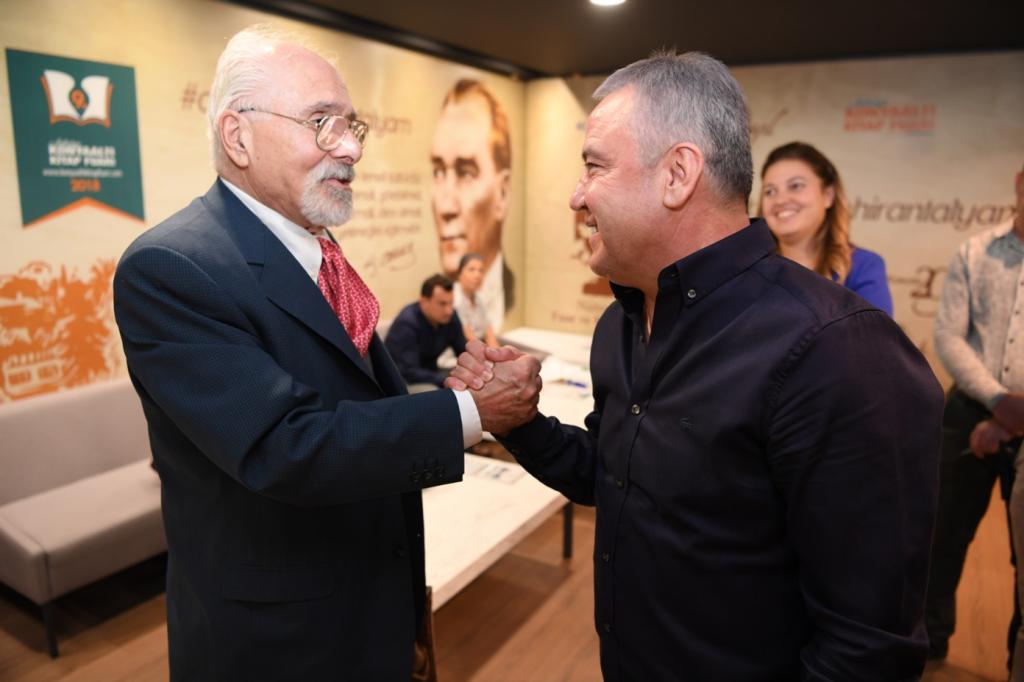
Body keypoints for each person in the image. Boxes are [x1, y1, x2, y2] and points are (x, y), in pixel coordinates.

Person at [449, 50, 944, 680]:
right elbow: (615, 478)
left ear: (678, 174)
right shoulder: (621, 324)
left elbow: (866, 648)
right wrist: (520, 423)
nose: (576, 197)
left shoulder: (836, 351)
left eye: (594, 167)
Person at [112, 25, 482, 681]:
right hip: (277, 642)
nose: (350, 149)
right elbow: (283, 444)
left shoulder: (315, 249)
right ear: (239, 136)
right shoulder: (170, 267)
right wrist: (470, 412)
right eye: (321, 123)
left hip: (364, 601)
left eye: (351, 126)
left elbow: (355, 396)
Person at [929, 161, 1024, 667]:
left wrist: (1011, 417)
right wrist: (998, 401)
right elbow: (948, 334)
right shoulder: (976, 251)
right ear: (1019, 185)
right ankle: (928, 649)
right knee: (941, 540)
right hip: (968, 414)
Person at [759, 141, 894, 315]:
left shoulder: (863, 266)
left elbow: (874, 332)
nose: (780, 200)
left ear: (828, 195)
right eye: (770, 191)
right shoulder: (749, 269)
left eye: (795, 186)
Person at [430, 79, 513, 331]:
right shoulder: (445, 304)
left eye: (466, 173)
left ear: (502, 194)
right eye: (438, 172)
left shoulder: (506, 297)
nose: (446, 207)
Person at [385, 274, 468, 390]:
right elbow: (410, 371)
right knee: (434, 390)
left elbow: (463, 352)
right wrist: (446, 379)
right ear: (424, 302)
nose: (449, 311)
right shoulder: (407, 324)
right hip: (401, 382)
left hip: (431, 374)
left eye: (451, 303)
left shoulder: (450, 317)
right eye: (442, 304)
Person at [453, 253, 499, 347]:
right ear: (460, 274)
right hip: (461, 351)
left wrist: (499, 352)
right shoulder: (454, 298)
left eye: (481, 271)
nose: (477, 275)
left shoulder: (479, 299)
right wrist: (491, 353)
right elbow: (469, 336)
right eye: (471, 269)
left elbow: (489, 333)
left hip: (479, 347)